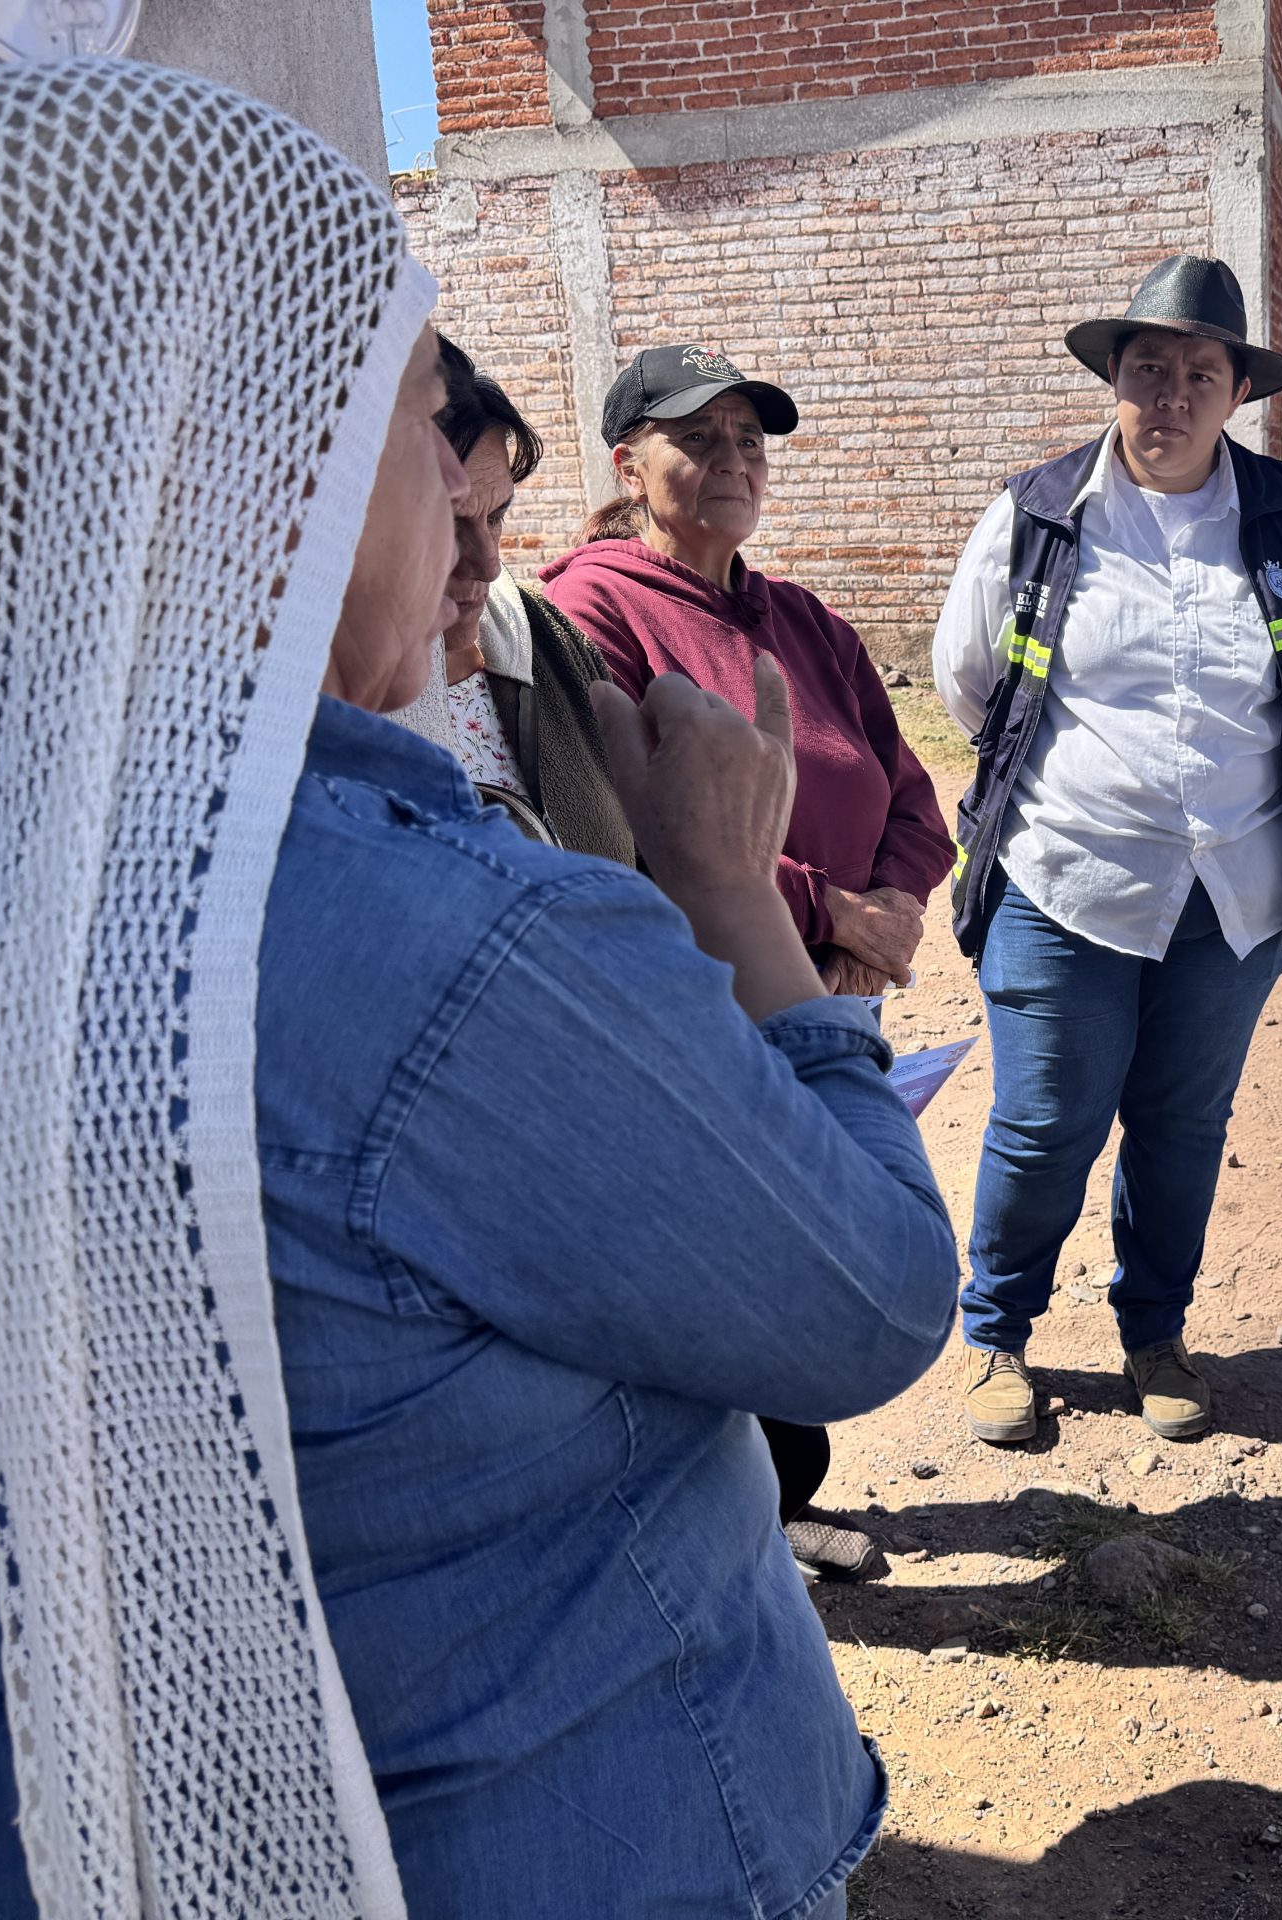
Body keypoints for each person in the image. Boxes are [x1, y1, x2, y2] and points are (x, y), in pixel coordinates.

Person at [0, 60, 953, 1920]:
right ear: (263, 458)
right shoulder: (449, 948)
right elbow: (868, 1300)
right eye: (419, 419)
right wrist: (728, 888)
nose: (454, 496)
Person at [395, 337, 886, 1584]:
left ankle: (759, 1514)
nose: (475, 565)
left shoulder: (535, 650)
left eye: (497, 518)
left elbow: (881, 775)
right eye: (440, 516)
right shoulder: (589, 615)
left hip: (689, 1048)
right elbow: (680, 842)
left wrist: (886, 902)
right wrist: (798, 916)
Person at [931, 255, 1282, 1447]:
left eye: (1198, 373)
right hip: (1063, 874)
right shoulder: (1038, 512)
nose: (1169, 396)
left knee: (1183, 1126)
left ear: (1235, 391)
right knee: (1044, 1123)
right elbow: (970, 684)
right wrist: (1098, 791)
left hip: (1231, 890)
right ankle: (996, 1333)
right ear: (1111, 383)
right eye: (1146, 372)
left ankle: (1154, 1333)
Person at [541, 343, 954, 1000]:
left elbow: (915, 806)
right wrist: (834, 917)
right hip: (710, 997)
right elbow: (629, 829)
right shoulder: (592, 607)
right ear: (630, 470)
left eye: (750, 441)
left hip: (848, 985)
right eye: (697, 438)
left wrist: (886, 916)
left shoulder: (806, 619)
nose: (732, 460)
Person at [387, 335, 637, 859]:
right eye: (447, 524)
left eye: (496, 516)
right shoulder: (331, 706)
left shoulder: (551, 642)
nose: (487, 563)